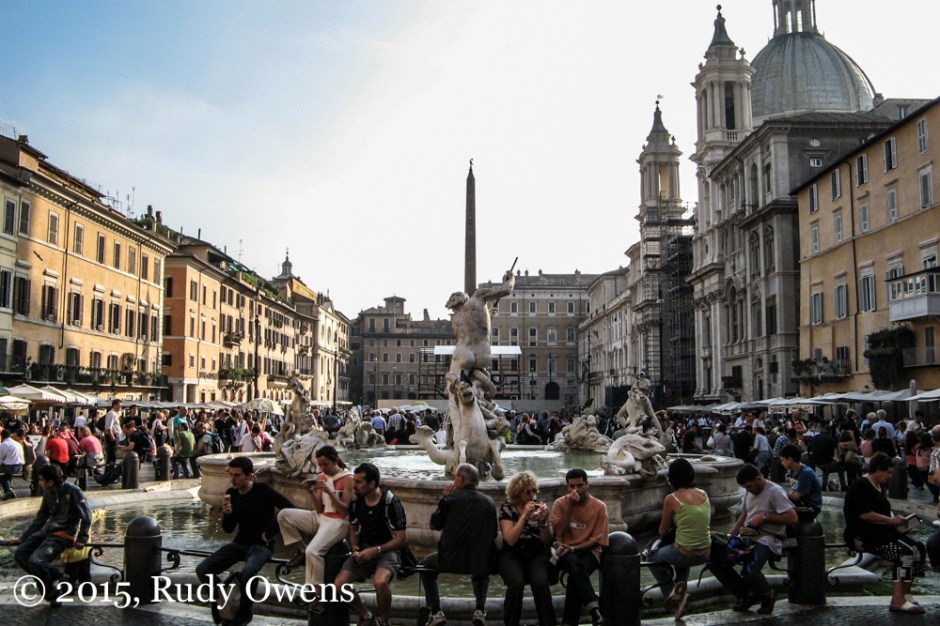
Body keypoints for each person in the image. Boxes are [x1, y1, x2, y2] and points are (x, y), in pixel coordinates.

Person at [196, 456, 295, 626]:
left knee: (248, 573)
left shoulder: (263, 490)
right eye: (231, 475)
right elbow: (228, 528)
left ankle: (244, 613)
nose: (233, 479)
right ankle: (224, 601)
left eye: (237, 475)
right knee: (203, 569)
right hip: (240, 543)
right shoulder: (231, 494)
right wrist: (227, 515)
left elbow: (289, 509)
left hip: (261, 545)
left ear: (249, 476)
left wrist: (270, 532)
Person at [707, 463, 797, 615]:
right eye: (745, 488)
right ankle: (746, 595)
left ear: (758, 479)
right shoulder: (749, 491)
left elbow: (793, 517)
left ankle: (767, 596)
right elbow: (744, 514)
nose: (747, 490)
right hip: (747, 537)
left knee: (750, 570)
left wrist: (765, 516)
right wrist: (731, 536)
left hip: (767, 538)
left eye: (749, 486)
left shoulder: (775, 492)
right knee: (713, 561)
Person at [843, 452, 928, 614]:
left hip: (880, 531)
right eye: (888, 472)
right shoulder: (861, 486)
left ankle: (906, 593)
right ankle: (897, 599)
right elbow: (865, 514)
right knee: (904, 553)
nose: (890, 476)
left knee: (918, 547)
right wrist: (891, 521)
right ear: (878, 470)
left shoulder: (879, 486)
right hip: (862, 534)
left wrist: (897, 523)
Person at [422, 463, 498, 626]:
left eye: (455, 476)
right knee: (482, 565)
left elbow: (434, 524)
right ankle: (479, 609)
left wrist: (444, 498)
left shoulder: (450, 499)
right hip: (479, 562)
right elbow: (492, 534)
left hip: (449, 560)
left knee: (426, 566)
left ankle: (436, 612)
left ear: (461, 479)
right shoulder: (489, 502)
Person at [334, 462, 408, 626]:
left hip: (389, 549)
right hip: (364, 548)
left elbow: (401, 538)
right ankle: (366, 615)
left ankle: (385, 621)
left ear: (372, 483)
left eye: (359, 482)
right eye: (355, 481)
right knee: (340, 584)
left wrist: (377, 549)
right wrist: (354, 547)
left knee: (380, 582)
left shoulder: (390, 502)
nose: (354, 486)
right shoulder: (355, 501)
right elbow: (353, 527)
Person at [12, 464, 91, 606]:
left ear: (51, 481)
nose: (39, 483)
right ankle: (56, 575)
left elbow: (86, 517)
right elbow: (40, 518)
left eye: (42, 480)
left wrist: (82, 538)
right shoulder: (48, 493)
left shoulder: (73, 491)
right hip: (45, 532)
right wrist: (24, 538)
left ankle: (50, 593)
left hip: (62, 535)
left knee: (36, 561)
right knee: (20, 555)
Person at [277, 446, 353, 588]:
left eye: (326, 464)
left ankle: (317, 592)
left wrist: (330, 492)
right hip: (320, 517)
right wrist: (310, 492)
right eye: (320, 465)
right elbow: (318, 509)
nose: (323, 468)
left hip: (337, 522)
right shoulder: (321, 476)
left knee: (314, 552)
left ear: (335, 460)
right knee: (284, 515)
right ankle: (301, 549)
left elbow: (345, 511)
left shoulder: (348, 479)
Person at [648, 458, 711, 620]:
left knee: (650, 557)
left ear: (672, 477)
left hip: (685, 553)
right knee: (682, 546)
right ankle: (680, 594)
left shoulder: (672, 498)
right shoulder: (703, 494)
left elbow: (662, 530)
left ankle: (674, 596)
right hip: (705, 553)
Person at [496, 471, 554, 626]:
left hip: (536, 552)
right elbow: (510, 539)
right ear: (518, 491)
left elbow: (547, 540)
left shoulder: (539, 507)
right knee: (516, 584)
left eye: (534, 490)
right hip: (513, 553)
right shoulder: (508, 509)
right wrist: (523, 517)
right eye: (528, 491)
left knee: (540, 583)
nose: (532, 495)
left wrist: (544, 522)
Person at [551, 468, 608, 626]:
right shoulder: (560, 503)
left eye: (580, 485)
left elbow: (597, 539)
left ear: (587, 485)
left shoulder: (599, 506)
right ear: (567, 487)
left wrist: (575, 548)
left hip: (590, 552)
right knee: (575, 566)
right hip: (565, 552)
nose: (575, 490)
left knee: (575, 577)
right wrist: (570, 506)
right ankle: (594, 610)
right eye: (572, 486)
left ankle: (569, 623)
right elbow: (558, 532)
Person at [445, 269, 515, 390]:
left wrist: (488, 315)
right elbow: (506, 289)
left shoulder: (455, 320)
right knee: (477, 385)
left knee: (455, 376)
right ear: (465, 297)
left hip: (464, 353)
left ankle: (448, 390)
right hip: (483, 354)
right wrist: (512, 278)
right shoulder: (478, 296)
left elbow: (464, 337)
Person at [779, 443, 822, 519]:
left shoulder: (806, 473)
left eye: (783, 460)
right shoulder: (792, 471)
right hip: (801, 503)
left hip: (810, 507)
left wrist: (780, 492)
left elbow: (796, 497)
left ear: (790, 459)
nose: (781, 463)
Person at [0, 429, 25, 499]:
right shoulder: (17, 443)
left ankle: (8, 490)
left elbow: (0, 459)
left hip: (11, 466)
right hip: (20, 466)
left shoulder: (4, 444)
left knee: (2, 474)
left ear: (2, 437)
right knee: (6, 474)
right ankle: (8, 490)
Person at [103, 399, 123, 468]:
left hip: (114, 436)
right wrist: (113, 439)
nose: (120, 407)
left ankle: (110, 471)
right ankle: (109, 471)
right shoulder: (112, 413)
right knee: (111, 455)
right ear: (114, 405)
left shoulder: (115, 414)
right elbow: (108, 427)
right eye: (119, 406)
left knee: (112, 456)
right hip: (112, 436)